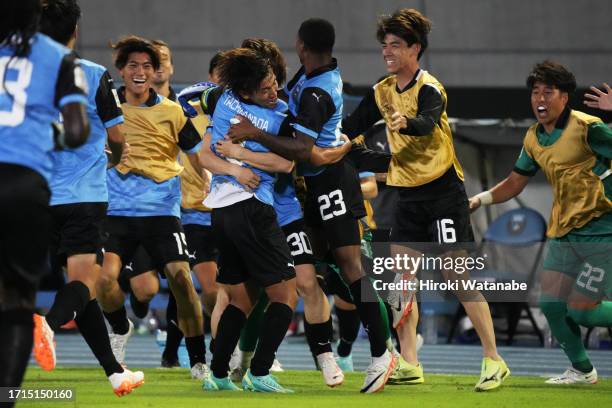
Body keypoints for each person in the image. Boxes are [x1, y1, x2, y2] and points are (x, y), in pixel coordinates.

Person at [340, 8, 508, 391]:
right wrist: (333, 141)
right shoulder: (382, 91)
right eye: (385, 45)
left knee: (456, 276)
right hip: (408, 195)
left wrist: (406, 124)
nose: (388, 51)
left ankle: (494, 360)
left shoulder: (430, 87)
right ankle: (411, 362)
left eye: (396, 45)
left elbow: (428, 121)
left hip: (443, 192)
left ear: (415, 48)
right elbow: (351, 127)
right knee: (401, 281)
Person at [226, 18, 395, 394]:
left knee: (350, 268)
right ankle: (312, 355)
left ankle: (382, 353)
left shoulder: (316, 92)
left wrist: (253, 134)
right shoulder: (307, 76)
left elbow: (302, 151)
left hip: (330, 185)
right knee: (303, 276)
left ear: (301, 45)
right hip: (308, 191)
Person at [470, 60, 612, 385]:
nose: (540, 99)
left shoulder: (589, 127)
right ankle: (582, 370)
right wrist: (481, 199)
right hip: (563, 234)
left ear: (565, 96)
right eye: (536, 92)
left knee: (581, 309)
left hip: (601, 232)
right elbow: (515, 181)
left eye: (548, 91)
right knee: (550, 305)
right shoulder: (534, 138)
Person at [32, 0, 145, 397]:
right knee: (81, 284)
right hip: (84, 195)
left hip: (39, 196)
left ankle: (115, 372)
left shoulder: (18, 73)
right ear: (75, 31)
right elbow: (116, 136)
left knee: (82, 289)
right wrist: (115, 159)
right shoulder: (94, 74)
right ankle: (46, 324)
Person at [95, 36, 208, 380]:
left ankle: (199, 360)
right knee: (103, 281)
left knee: (181, 280)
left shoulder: (173, 112)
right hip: (117, 211)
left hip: (162, 211)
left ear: (155, 72)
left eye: (147, 66)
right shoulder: (105, 107)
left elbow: (195, 152)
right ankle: (119, 328)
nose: (140, 72)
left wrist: (206, 179)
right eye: (133, 65)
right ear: (121, 71)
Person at [192, 48, 298, 393]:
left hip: (221, 212)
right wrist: (242, 166)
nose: (274, 93)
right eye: (266, 89)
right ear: (246, 92)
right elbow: (285, 165)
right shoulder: (272, 118)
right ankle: (261, 371)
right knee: (286, 295)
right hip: (252, 208)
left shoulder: (222, 100)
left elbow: (206, 154)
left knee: (242, 299)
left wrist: (235, 162)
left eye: (275, 85)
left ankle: (218, 375)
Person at [0, 0, 89, 399]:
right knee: (18, 299)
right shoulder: (59, 57)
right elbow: (76, 131)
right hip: (24, 185)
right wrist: (45, 137)